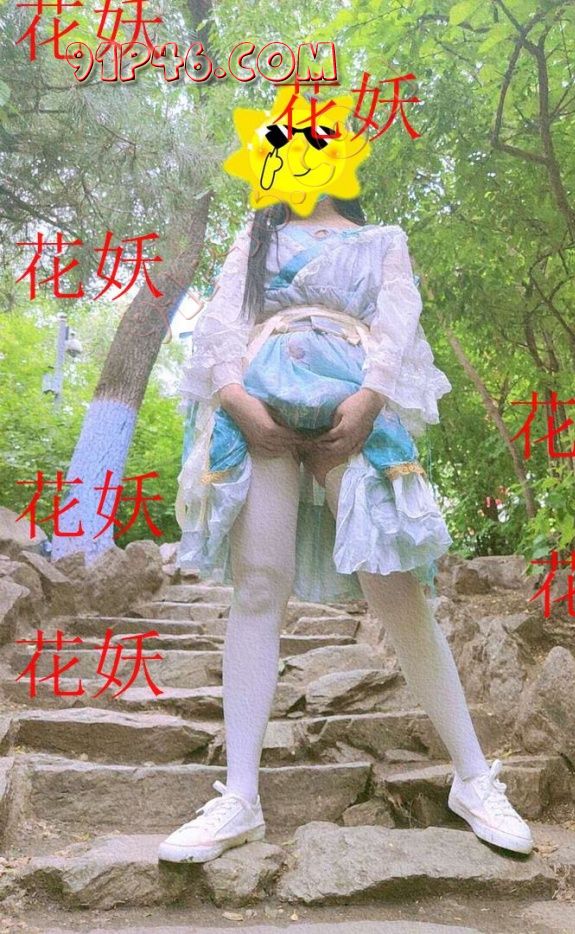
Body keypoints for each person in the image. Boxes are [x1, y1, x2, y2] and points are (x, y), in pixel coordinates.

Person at [158, 193, 534, 864]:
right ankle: (239, 797)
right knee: (258, 585)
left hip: (352, 401)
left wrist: (370, 398)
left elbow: (398, 320)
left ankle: (474, 779)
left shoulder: (383, 238)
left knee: (397, 592)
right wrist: (236, 399)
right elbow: (222, 319)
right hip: (260, 398)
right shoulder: (256, 235)